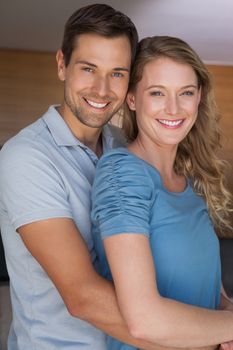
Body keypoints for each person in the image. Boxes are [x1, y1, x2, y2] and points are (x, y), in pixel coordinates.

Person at [0, 4, 162, 350]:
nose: (102, 89)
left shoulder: (125, 147)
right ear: (62, 65)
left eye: (117, 73)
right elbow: (83, 297)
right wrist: (198, 341)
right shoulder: (25, 156)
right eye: (89, 69)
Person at [91, 36, 233, 350]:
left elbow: (214, 293)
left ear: (199, 98)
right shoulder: (122, 173)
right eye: (157, 93)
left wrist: (226, 311)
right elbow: (144, 320)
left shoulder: (194, 181)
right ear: (131, 99)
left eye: (186, 93)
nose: (173, 108)